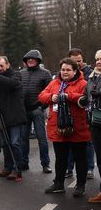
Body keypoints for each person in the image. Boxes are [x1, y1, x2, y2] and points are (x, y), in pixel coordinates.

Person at [39, 58, 90, 197]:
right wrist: (52, 97)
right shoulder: (54, 82)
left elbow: (86, 99)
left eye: (68, 70)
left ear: (75, 71)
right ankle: (58, 184)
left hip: (77, 128)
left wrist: (68, 96)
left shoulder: (84, 83)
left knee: (80, 158)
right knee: (60, 158)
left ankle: (80, 186)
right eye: (63, 69)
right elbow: (42, 96)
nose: (65, 72)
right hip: (58, 128)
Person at [19, 50, 52, 173]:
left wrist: (42, 107)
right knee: (23, 138)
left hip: (38, 110)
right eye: (28, 59)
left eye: (33, 58)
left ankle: (45, 164)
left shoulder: (45, 74)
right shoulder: (21, 73)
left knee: (42, 138)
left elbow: (50, 91)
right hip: (24, 110)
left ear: (38, 60)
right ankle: (24, 162)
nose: (30, 60)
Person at [66, 48, 95, 179]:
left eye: (80, 61)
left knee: (87, 142)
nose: (78, 64)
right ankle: (69, 168)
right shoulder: (65, 72)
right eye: (75, 61)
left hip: (86, 112)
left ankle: (89, 168)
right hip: (69, 112)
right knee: (70, 141)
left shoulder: (90, 73)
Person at [85, 50, 101, 203]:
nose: (98, 61)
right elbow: (88, 96)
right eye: (97, 59)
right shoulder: (91, 77)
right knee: (100, 158)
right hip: (95, 122)